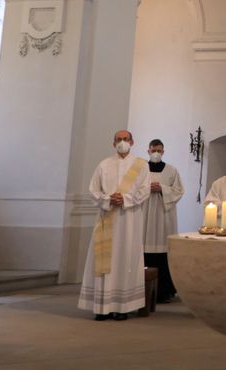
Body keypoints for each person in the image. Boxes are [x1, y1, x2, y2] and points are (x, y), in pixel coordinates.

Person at [77, 130, 149, 321]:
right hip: (106, 217)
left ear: (132, 141)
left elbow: (145, 190)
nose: (122, 142)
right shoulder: (104, 165)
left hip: (129, 219)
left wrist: (124, 198)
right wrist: (108, 199)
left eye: (125, 139)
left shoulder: (141, 165)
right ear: (113, 143)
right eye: (119, 139)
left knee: (125, 259)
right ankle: (101, 307)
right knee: (103, 261)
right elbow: (93, 190)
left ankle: (122, 307)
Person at [142, 139, 183, 304]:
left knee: (163, 252)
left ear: (163, 151)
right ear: (148, 151)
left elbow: (179, 191)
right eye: (153, 150)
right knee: (144, 250)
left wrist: (162, 189)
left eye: (159, 150)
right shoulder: (140, 170)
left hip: (164, 216)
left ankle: (164, 291)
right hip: (145, 215)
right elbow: (132, 190)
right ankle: (142, 291)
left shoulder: (171, 170)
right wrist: (147, 189)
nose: (156, 153)